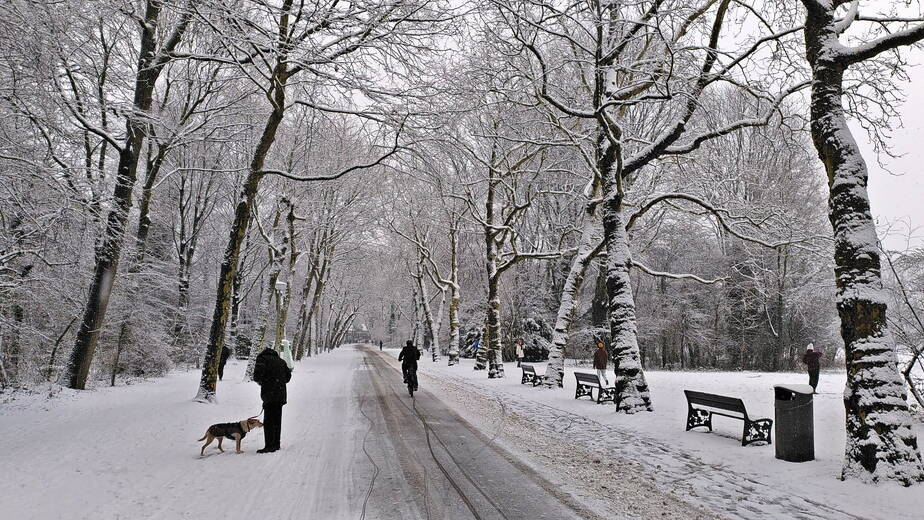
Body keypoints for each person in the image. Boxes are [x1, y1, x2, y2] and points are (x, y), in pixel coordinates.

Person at [253, 347, 292, 453]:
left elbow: (257, 376)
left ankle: (269, 446)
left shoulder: (262, 359)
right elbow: (288, 377)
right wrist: (278, 380)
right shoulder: (281, 361)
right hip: (280, 394)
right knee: (277, 420)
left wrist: (264, 381)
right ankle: (276, 444)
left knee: (269, 421)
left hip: (269, 394)